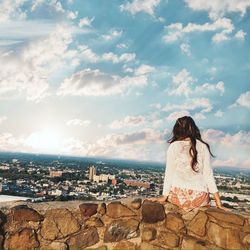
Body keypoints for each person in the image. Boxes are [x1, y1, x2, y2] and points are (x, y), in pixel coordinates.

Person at [148, 116, 227, 211]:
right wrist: (218, 201)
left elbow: (169, 173)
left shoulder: (174, 146)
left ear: (176, 130)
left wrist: (164, 196)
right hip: (199, 198)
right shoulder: (203, 146)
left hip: (178, 196)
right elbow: (208, 175)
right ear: (194, 129)